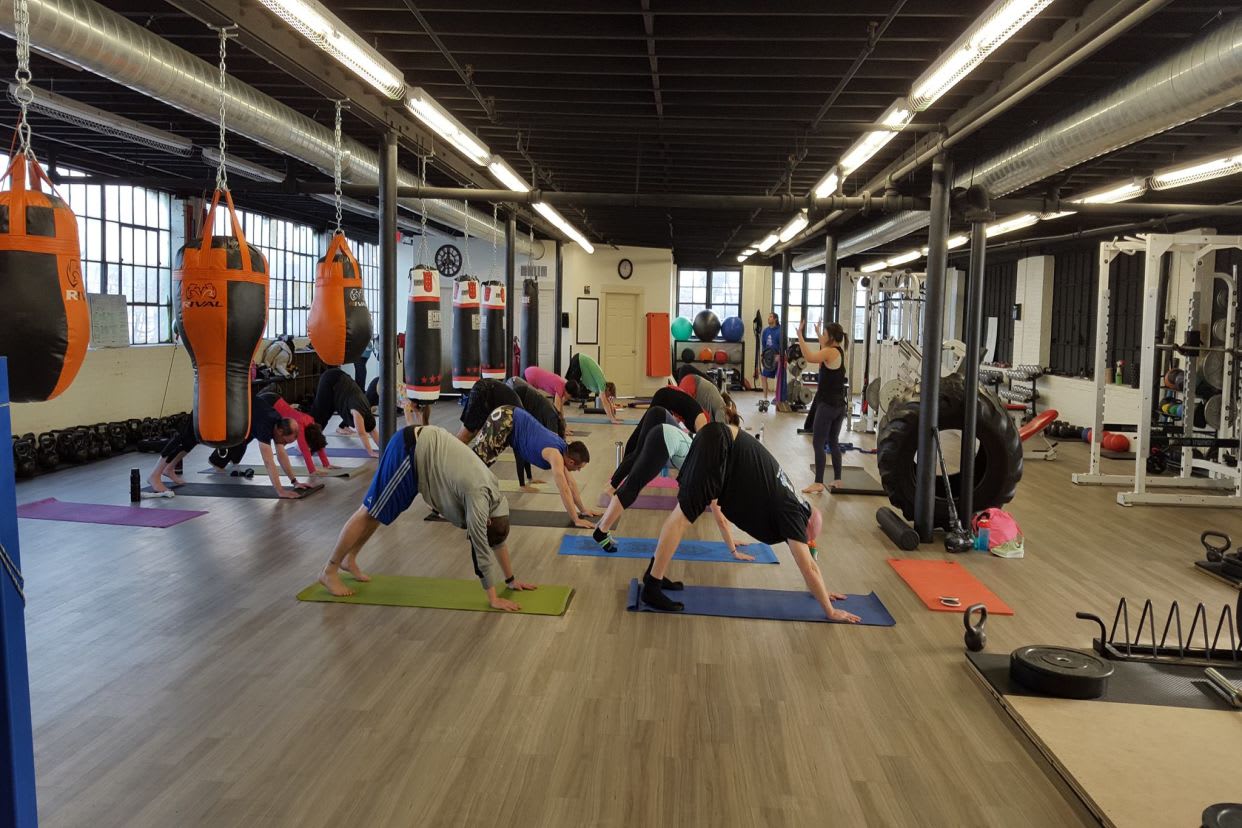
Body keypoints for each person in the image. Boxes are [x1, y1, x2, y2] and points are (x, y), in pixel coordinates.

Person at [638, 422, 860, 623]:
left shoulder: (795, 502)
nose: (804, 542)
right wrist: (829, 610)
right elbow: (808, 566)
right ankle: (652, 588)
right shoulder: (794, 514)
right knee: (682, 517)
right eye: (807, 539)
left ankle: (653, 574)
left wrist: (821, 590)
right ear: (806, 526)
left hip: (719, 439)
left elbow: (808, 562)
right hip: (720, 445)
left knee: (683, 515)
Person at [316, 424, 538, 611]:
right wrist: (493, 598)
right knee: (368, 511)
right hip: (410, 450)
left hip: (421, 453)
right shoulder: (479, 498)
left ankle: (349, 559)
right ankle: (329, 570)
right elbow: (481, 547)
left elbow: (497, 539)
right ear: (487, 520)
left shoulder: (497, 502)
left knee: (378, 513)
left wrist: (510, 580)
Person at [593, 406, 754, 561]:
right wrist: (733, 551)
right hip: (664, 440)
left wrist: (731, 539)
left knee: (632, 485)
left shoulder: (716, 462)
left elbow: (721, 517)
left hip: (662, 434)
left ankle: (602, 527)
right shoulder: (715, 477)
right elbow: (721, 520)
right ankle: (601, 531)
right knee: (632, 487)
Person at [469, 405, 598, 528]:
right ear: (571, 462)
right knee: (476, 464)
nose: (578, 471)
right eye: (578, 468)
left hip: (511, 422)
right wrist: (576, 519)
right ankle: (465, 502)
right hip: (506, 419)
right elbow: (564, 489)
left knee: (480, 463)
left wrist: (583, 510)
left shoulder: (564, 450)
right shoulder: (555, 455)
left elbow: (571, 484)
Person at [154, 395, 307, 498]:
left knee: (191, 439)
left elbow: (281, 454)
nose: (284, 445)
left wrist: (294, 481)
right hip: (211, 403)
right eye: (286, 441)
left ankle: (169, 469)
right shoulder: (265, 425)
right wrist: (280, 491)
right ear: (280, 431)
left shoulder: (278, 422)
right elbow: (268, 461)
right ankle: (154, 476)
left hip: (221, 407)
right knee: (182, 438)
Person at [797, 320, 849, 493]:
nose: (822, 338)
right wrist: (819, 332)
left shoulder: (829, 352)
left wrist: (800, 336)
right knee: (833, 441)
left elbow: (810, 357)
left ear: (831, 337)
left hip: (827, 406)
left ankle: (818, 482)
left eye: (825, 335)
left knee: (818, 443)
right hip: (839, 405)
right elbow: (824, 344)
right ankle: (838, 479)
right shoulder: (838, 351)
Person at [312, 366, 380, 456]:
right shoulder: (358, 413)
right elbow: (362, 433)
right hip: (330, 380)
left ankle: (312, 441)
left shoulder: (366, 410)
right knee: (320, 416)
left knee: (326, 415)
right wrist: (370, 452)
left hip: (340, 378)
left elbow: (373, 431)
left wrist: (384, 449)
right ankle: (306, 441)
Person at [457, 377, 522, 443]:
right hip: (486, 391)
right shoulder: (521, 428)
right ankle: (453, 448)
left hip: (489, 390)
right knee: (467, 434)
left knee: (478, 436)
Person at [564, 353, 621, 423]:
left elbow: (608, 402)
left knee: (569, 388)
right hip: (579, 361)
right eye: (609, 395)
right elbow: (605, 402)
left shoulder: (602, 385)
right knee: (569, 390)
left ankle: (559, 404)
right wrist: (612, 419)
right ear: (608, 389)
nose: (607, 397)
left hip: (579, 360)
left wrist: (614, 418)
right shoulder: (602, 383)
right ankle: (558, 407)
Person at [759, 312, 782, 400]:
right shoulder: (765, 331)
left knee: (779, 378)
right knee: (763, 377)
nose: (768, 318)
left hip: (777, 358)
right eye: (769, 317)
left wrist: (780, 356)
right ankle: (765, 398)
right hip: (768, 358)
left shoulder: (780, 331)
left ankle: (778, 398)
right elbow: (764, 345)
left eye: (771, 317)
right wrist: (763, 355)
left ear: (775, 319)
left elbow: (783, 345)